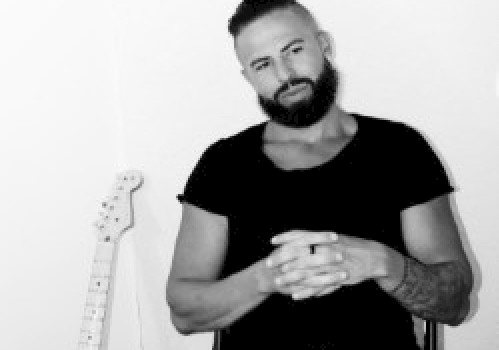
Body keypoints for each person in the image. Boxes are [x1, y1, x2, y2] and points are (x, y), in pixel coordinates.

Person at [166, 1, 473, 349]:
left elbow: (455, 304)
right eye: (262, 64)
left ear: (324, 46)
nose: (285, 74)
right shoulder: (223, 165)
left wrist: (381, 261)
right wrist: (269, 277)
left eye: (293, 50)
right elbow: (184, 313)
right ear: (248, 77)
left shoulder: (400, 148)